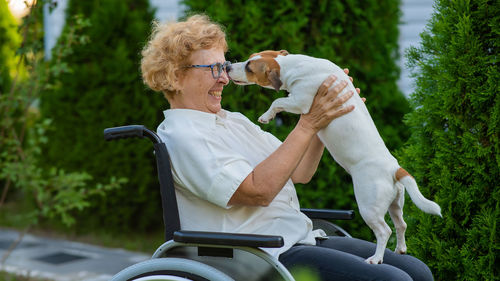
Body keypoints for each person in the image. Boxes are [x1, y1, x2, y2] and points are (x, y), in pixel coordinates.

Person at [140, 14, 434, 281]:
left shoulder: (233, 122)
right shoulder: (185, 135)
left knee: (417, 272)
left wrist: (328, 114)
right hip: (256, 256)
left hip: (297, 238)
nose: (224, 77)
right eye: (213, 68)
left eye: (224, 66)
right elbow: (259, 190)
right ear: (175, 77)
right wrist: (309, 121)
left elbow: (299, 172)